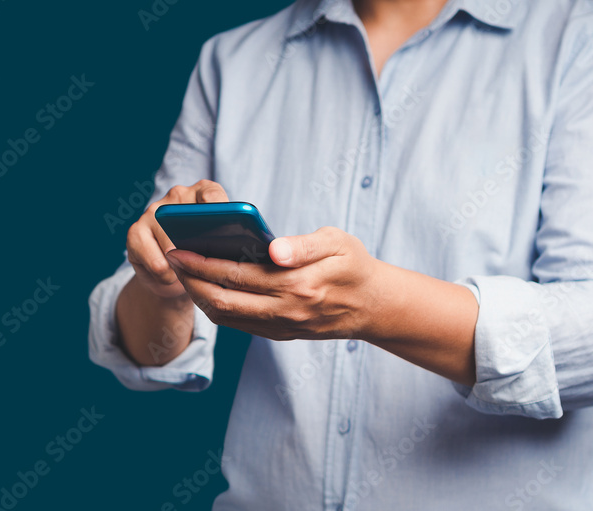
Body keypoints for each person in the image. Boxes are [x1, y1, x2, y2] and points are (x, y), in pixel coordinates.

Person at [88, 0, 593, 509]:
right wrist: (164, 287)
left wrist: (374, 307)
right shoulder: (231, 61)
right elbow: (147, 354)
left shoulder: (575, 36)